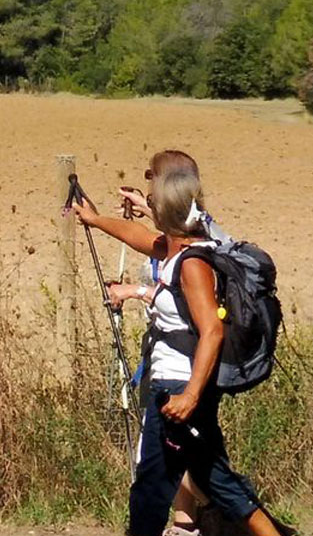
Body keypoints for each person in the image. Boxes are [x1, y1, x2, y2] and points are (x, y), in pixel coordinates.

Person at [71, 170, 278, 536]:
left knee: (157, 488)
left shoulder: (193, 264)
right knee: (209, 481)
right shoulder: (179, 249)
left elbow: (212, 330)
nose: (147, 203)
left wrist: (190, 395)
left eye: (152, 200)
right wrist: (95, 219)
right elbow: (142, 238)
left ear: (167, 211)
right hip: (179, 386)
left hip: (180, 388)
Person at [116, 150, 230, 536]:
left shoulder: (194, 253)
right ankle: (191, 523)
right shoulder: (192, 231)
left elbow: (203, 320)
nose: (148, 189)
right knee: (200, 468)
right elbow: (168, 234)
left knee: (175, 474)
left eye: (152, 185)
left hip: (182, 373)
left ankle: (208, 521)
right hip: (177, 368)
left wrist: (134, 291)